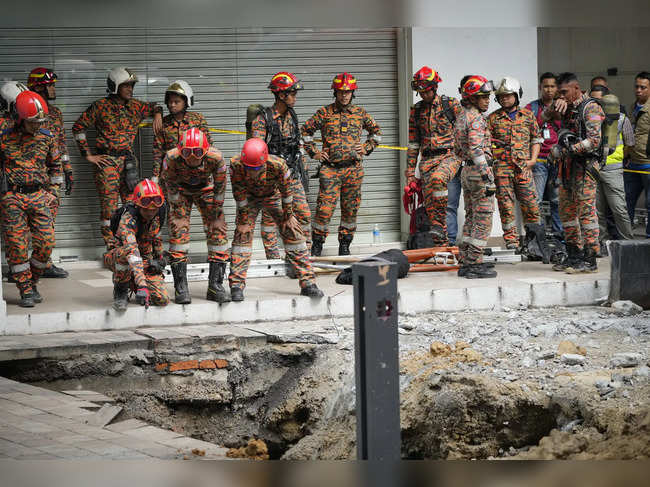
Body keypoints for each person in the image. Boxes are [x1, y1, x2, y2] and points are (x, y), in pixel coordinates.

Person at [72, 67, 163, 247]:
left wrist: (158, 114)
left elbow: (154, 106)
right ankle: (112, 247)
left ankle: (131, 243)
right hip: (107, 163)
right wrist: (88, 155)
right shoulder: (100, 107)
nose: (130, 89)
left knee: (132, 203)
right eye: (126, 86)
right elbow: (78, 128)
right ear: (114, 86)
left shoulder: (135, 106)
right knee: (109, 208)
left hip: (128, 162)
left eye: (131, 86)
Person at [228, 138, 323, 301]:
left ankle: (308, 283)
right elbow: (239, 194)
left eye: (256, 168)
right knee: (242, 235)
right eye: (249, 168)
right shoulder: (236, 164)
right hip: (249, 198)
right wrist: (244, 220)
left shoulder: (278, 165)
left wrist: (288, 216)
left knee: (293, 231)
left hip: (274, 196)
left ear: (264, 162)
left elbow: (287, 192)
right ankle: (236, 285)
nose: (252, 172)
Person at [301, 72, 382, 256]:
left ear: (353, 93)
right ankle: (317, 244)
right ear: (335, 93)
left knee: (350, 210)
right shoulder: (325, 113)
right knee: (324, 210)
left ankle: (345, 244)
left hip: (353, 170)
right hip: (330, 170)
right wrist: (314, 152)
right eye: (340, 92)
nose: (344, 95)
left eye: (348, 92)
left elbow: (376, 133)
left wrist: (366, 147)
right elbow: (306, 131)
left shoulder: (360, 113)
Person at [0, 91, 61, 307]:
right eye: (33, 121)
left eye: (41, 120)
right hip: (12, 198)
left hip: (39, 196)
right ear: (20, 119)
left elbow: (56, 167)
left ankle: (33, 280)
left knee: (46, 243)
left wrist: (53, 193)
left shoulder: (46, 136)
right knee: (16, 247)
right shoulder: (4, 135)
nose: (37, 125)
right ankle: (25, 289)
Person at [249, 71, 311, 268]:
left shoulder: (292, 114)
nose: (295, 97)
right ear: (281, 95)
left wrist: (303, 164)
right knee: (271, 219)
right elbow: (257, 151)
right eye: (292, 93)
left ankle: (302, 256)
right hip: (272, 179)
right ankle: (274, 260)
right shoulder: (263, 119)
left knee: (304, 215)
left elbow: (296, 142)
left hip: (292, 174)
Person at [545, 72, 605, 273]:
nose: (561, 95)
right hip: (567, 169)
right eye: (559, 92)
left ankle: (590, 258)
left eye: (564, 92)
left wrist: (567, 150)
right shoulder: (567, 108)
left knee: (586, 214)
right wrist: (555, 105)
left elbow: (594, 141)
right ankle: (574, 254)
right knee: (566, 212)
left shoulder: (591, 107)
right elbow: (544, 118)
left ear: (576, 88)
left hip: (585, 168)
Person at [161, 128, 229, 304]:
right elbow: (169, 184)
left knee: (218, 229)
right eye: (187, 152)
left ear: (205, 151)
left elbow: (220, 186)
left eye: (197, 152)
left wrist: (217, 208)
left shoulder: (216, 158)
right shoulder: (171, 158)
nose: (192, 157)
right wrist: (177, 210)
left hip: (206, 190)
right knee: (178, 230)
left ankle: (215, 286)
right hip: (180, 192)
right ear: (180, 151)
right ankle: (181, 288)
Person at [406, 66, 462, 246]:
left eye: (426, 90)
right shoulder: (416, 110)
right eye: (420, 91)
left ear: (434, 87)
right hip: (427, 161)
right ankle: (441, 246)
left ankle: (451, 242)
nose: (423, 94)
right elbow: (414, 142)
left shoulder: (450, 104)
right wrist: (409, 172)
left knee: (447, 202)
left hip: (449, 158)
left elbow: (466, 130)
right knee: (431, 208)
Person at [27, 67, 73, 278]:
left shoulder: (55, 114)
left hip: (51, 177)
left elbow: (61, 144)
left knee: (48, 220)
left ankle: (44, 263)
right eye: (50, 85)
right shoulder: (24, 113)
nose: (54, 89)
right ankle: (20, 263)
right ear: (37, 88)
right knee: (22, 224)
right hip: (28, 176)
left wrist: (68, 170)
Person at [488, 77, 543, 250]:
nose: (505, 98)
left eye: (509, 95)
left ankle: (534, 242)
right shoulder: (493, 118)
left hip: (523, 169)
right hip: (502, 170)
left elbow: (536, 138)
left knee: (531, 206)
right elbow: (486, 143)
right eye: (502, 96)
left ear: (517, 95)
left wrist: (533, 160)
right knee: (506, 206)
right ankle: (511, 242)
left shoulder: (527, 116)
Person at [453, 76, 497, 279]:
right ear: (472, 98)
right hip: (479, 173)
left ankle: (466, 259)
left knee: (471, 216)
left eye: (488, 97)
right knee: (483, 218)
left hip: (466, 172)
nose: (487, 101)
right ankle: (475, 262)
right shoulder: (477, 118)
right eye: (483, 97)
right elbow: (476, 149)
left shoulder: (462, 117)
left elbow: (458, 149)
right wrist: (488, 177)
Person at [104, 179, 169, 311]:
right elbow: (132, 252)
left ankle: (132, 281)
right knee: (127, 254)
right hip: (119, 257)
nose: (151, 212)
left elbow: (156, 236)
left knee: (162, 299)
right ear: (138, 205)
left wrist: (159, 260)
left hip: (143, 259)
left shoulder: (159, 212)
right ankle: (121, 290)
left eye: (154, 209)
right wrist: (142, 285)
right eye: (146, 209)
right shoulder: (128, 219)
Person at [588, 86, 634, 248]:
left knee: (619, 209)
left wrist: (618, 158)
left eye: (599, 100)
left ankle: (628, 244)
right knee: (596, 211)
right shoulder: (591, 118)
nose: (595, 104)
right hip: (594, 169)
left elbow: (629, 143)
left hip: (613, 170)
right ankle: (601, 243)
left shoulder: (622, 119)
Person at [525, 72, 563, 236]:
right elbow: (525, 128)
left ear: (557, 88)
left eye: (552, 86)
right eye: (546, 86)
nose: (549, 90)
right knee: (537, 200)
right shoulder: (531, 107)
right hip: (538, 160)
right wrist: (545, 115)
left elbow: (567, 127)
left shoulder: (563, 106)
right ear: (540, 87)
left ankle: (559, 235)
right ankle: (537, 237)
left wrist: (556, 114)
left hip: (558, 159)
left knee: (557, 200)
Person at [152, 80, 211, 183]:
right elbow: (158, 152)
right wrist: (155, 176)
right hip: (171, 176)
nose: (172, 105)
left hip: (197, 175)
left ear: (186, 102)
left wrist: (211, 171)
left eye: (176, 102)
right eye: (170, 102)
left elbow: (208, 147)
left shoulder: (198, 120)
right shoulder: (164, 123)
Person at [445, 75, 473, 245]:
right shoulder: (448, 109)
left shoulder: (480, 113)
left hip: (473, 166)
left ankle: (473, 244)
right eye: (466, 89)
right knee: (449, 205)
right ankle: (450, 242)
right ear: (460, 91)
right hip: (454, 164)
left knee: (474, 207)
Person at [625, 71, 650, 238]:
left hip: (647, 163)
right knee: (627, 202)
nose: (639, 90)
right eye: (637, 86)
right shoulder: (633, 106)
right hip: (632, 162)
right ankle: (626, 235)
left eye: (643, 87)